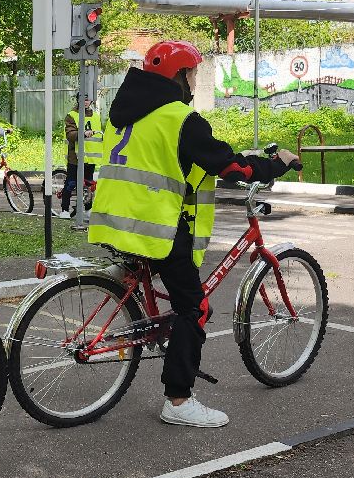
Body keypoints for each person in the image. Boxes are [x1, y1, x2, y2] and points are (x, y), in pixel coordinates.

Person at [88, 40, 301, 428]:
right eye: (193, 73)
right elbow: (236, 169)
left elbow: (161, 161)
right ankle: (179, 399)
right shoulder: (181, 120)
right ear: (180, 75)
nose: (195, 81)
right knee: (194, 307)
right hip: (158, 230)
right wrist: (275, 166)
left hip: (115, 221)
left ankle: (149, 320)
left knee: (164, 291)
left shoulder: (123, 114)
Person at [59, 94, 102, 219]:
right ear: (78, 100)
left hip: (90, 156)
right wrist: (82, 133)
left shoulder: (96, 116)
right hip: (75, 156)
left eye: (87, 99)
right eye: (83, 99)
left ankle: (88, 209)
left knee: (88, 185)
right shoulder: (72, 115)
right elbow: (70, 134)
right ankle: (65, 209)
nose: (85, 102)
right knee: (71, 182)